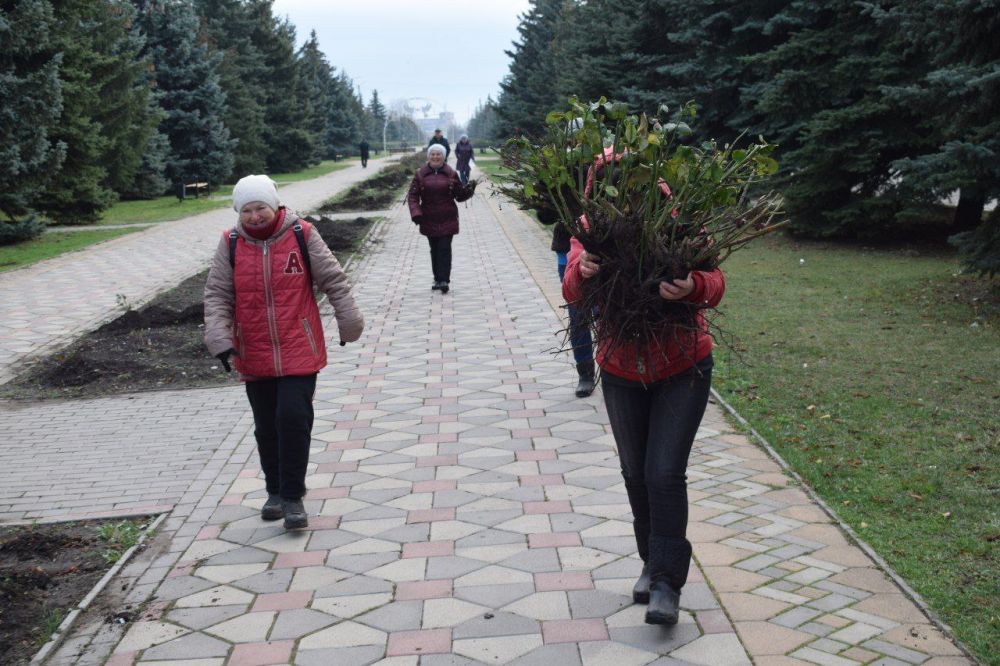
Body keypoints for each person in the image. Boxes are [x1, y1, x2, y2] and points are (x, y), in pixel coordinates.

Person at [562, 152, 725, 625]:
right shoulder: (591, 229)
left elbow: (715, 281)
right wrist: (582, 270)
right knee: (635, 472)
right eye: (613, 185)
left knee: (663, 472)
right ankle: (651, 563)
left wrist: (693, 286)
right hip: (620, 369)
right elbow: (571, 289)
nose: (626, 195)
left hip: (682, 366)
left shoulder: (679, 222)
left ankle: (666, 584)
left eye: (634, 184)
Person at [204, 175, 364, 530]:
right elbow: (217, 294)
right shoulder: (230, 243)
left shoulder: (301, 234)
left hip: (298, 346)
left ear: (274, 205)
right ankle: (274, 492)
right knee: (266, 427)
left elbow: (333, 280)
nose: (254, 216)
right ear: (238, 212)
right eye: (246, 210)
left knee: (292, 418)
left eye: (260, 207)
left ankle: (293, 497)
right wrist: (219, 338)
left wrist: (349, 320)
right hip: (254, 350)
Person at [535, 202, 595, 397]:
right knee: (578, 315)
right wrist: (547, 203)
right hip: (568, 255)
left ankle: (614, 370)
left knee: (606, 315)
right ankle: (585, 373)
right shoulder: (559, 183)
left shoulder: (607, 183)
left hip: (605, 253)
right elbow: (545, 218)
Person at [408, 144, 476, 294]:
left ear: (443, 157)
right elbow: (413, 196)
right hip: (428, 217)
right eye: (432, 154)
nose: (435, 157)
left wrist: (469, 189)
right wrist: (416, 213)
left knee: (444, 248)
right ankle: (438, 279)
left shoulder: (451, 173)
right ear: (428, 156)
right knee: (434, 249)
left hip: (447, 217)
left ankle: (444, 280)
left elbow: (459, 196)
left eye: (438, 154)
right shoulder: (420, 174)